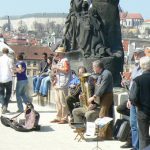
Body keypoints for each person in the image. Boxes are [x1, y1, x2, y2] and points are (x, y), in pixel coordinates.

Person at [73, 60, 113, 140]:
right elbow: (98, 87)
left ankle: (101, 136)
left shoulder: (106, 74)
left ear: (97, 67)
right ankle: (107, 135)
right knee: (104, 115)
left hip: (107, 96)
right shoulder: (100, 74)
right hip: (101, 96)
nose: (92, 69)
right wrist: (93, 101)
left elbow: (102, 87)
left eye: (93, 67)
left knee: (103, 115)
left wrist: (93, 97)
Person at [129, 56, 150, 150]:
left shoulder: (138, 80)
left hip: (142, 111)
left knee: (143, 137)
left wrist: (137, 104)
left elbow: (133, 98)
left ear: (141, 66)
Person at [126, 48, 145, 150]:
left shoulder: (145, 69)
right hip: (132, 99)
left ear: (142, 54)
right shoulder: (135, 68)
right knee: (133, 124)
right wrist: (129, 99)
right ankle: (135, 146)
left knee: (139, 125)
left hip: (140, 101)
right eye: (135, 55)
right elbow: (132, 85)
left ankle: (140, 147)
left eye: (138, 54)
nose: (136, 56)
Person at [50, 47, 71, 124]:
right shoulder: (59, 60)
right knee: (57, 101)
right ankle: (58, 116)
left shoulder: (65, 60)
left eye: (57, 53)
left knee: (63, 101)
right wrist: (54, 76)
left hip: (63, 83)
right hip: (58, 83)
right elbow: (57, 72)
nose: (56, 54)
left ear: (61, 53)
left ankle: (64, 118)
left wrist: (57, 67)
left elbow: (66, 70)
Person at [0, 48, 14, 114]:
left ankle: (3, 106)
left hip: (0, 79)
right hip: (8, 79)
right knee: (8, 94)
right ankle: (5, 106)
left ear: (2, 52)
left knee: (1, 94)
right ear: (8, 52)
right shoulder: (10, 59)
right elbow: (11, 70)